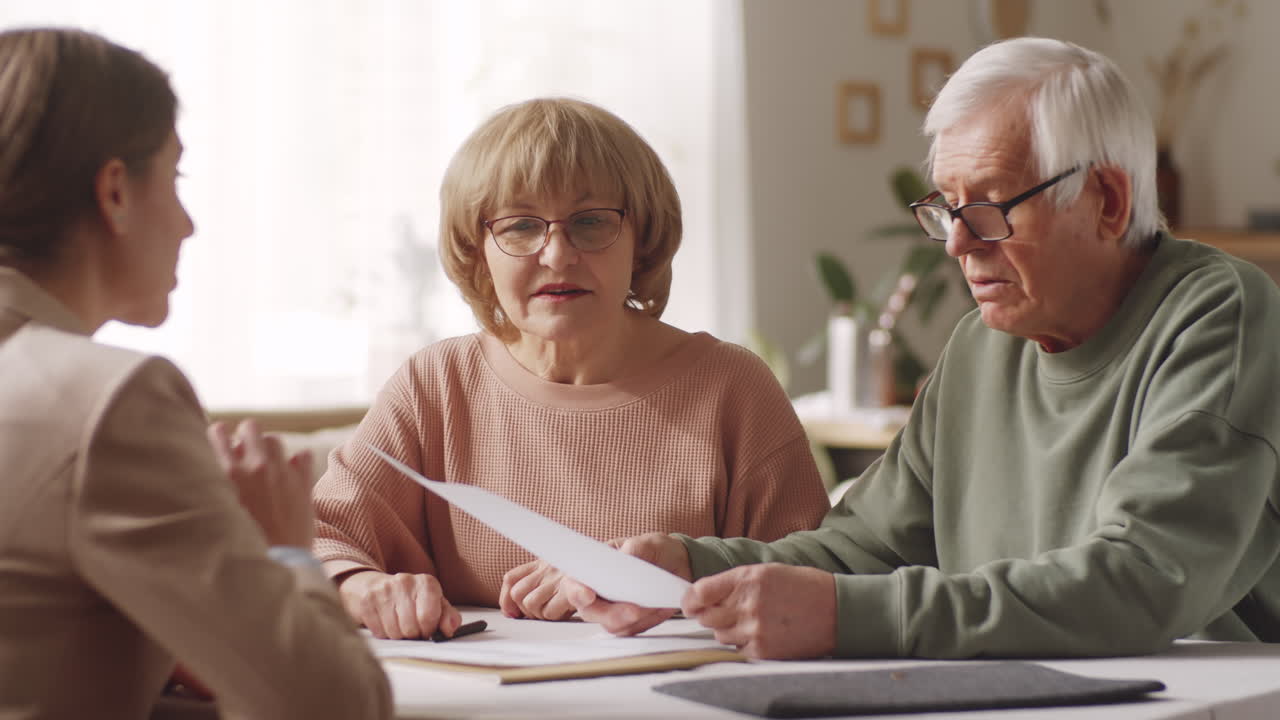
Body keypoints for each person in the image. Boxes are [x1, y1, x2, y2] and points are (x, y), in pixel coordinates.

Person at [568, 37, 1280, 660]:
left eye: (992, 208)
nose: (960, 245)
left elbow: (1139, 582)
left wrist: (850, 617)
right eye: (948, 209)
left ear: (1108, 201)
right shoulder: (982, 346)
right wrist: (686, 568)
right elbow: (864, 548)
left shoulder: (1219, 315)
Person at [313, 97, 830, 639]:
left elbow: (815, 576)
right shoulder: (435, 385)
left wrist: (641, 582)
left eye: (589, 222)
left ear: (642, 238)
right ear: (477, 249)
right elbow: (319, 538)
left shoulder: (734, 387)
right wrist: (360, 587)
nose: (558, 255)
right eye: (519, 227)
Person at [0, 28, 391, 718]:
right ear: (115, 192)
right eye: (175, 178)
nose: (188, 225)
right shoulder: (109, 402)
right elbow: (337, 706)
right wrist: (280, 554)